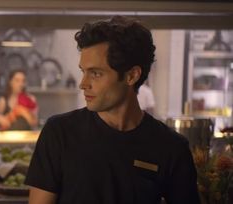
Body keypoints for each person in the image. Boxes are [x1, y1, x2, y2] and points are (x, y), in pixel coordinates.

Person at [25, 16, 200, 204]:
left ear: (132, 75)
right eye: (83, 71)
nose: (83, 84)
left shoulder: (171, 148)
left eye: (96, 73)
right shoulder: (59, 133)